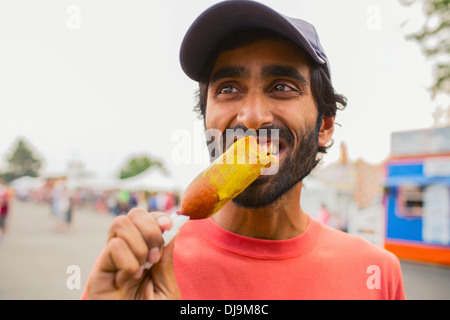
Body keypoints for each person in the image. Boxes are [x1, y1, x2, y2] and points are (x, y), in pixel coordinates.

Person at [83, 0, 405, 300]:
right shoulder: (139, 267)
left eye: (281, 87)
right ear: (206, 118)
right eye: (228, 89)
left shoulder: (377, 274)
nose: (251, 116)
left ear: (325, 126)